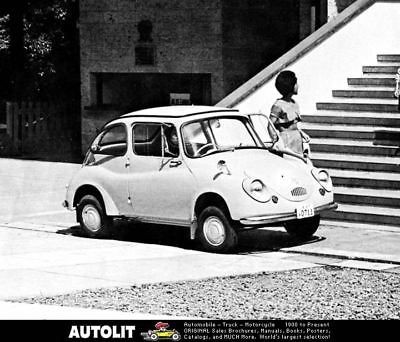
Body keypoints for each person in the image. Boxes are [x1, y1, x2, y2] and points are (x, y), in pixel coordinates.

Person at [269, 70, 310, 157]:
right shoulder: (278, 105)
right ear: (290, 86)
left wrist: (302, 133)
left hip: (297, 139)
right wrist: (276, 141)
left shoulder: (294, 103)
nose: (298, 86)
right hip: (286, 140)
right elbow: (270, 126)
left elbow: (294, 125)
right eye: (295, 84)